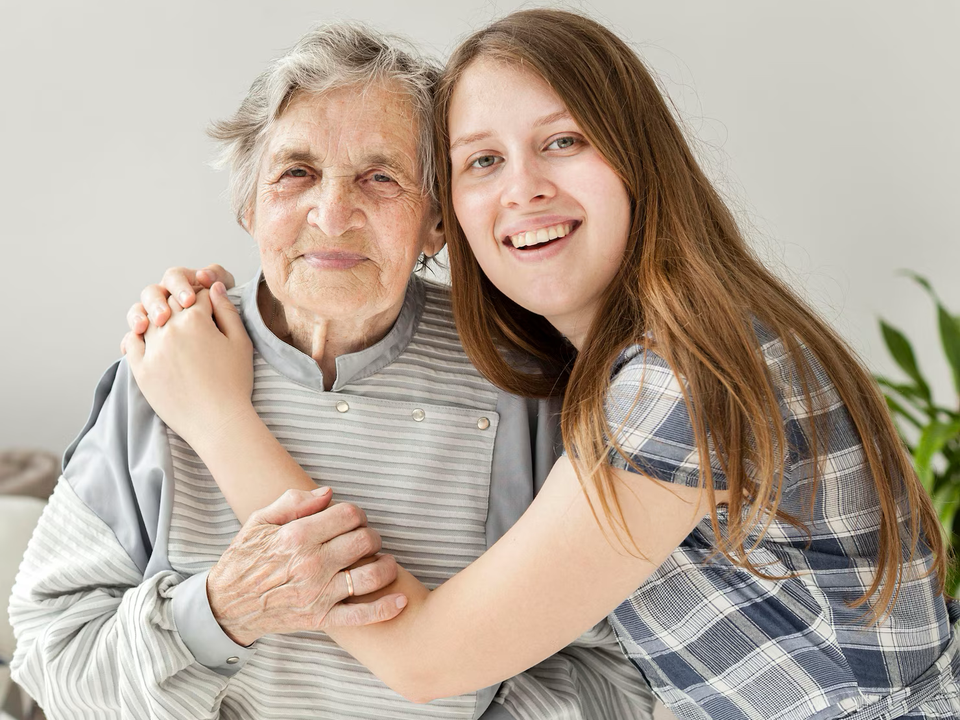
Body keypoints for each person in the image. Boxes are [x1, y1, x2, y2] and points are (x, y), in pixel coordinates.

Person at [121, 9, 959, 720]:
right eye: (483, 160)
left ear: (638, 160)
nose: (522, 189)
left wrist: (217, 417)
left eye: (561, 141)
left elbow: (428, 662)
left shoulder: (679, 382)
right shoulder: (621, 362)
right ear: (449, 214)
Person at [8, 22, 655, 720]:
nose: (333, 213)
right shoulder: (169, 360)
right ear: (250, 204)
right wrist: (217, 613)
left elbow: (612, 667)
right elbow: (50, 657)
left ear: (437, 220)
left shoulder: (519, 374)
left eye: (380, 177)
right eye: (297, 173)